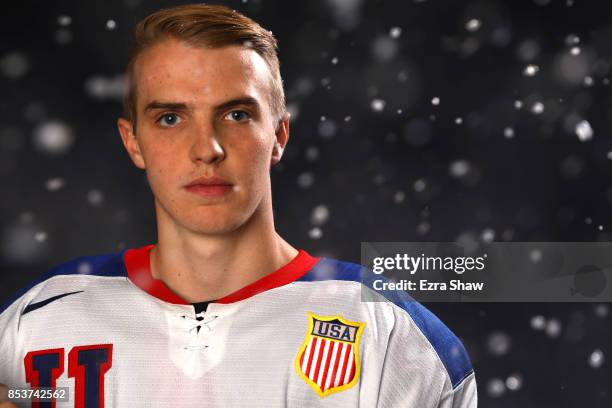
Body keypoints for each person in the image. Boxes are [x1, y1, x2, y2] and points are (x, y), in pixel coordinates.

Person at [0, 4, 477, 407]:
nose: (206, 148)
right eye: (170, 118)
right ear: (133, 142)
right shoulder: (41, 318)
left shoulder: (387, 333)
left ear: (278, 135)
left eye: (236, 115)